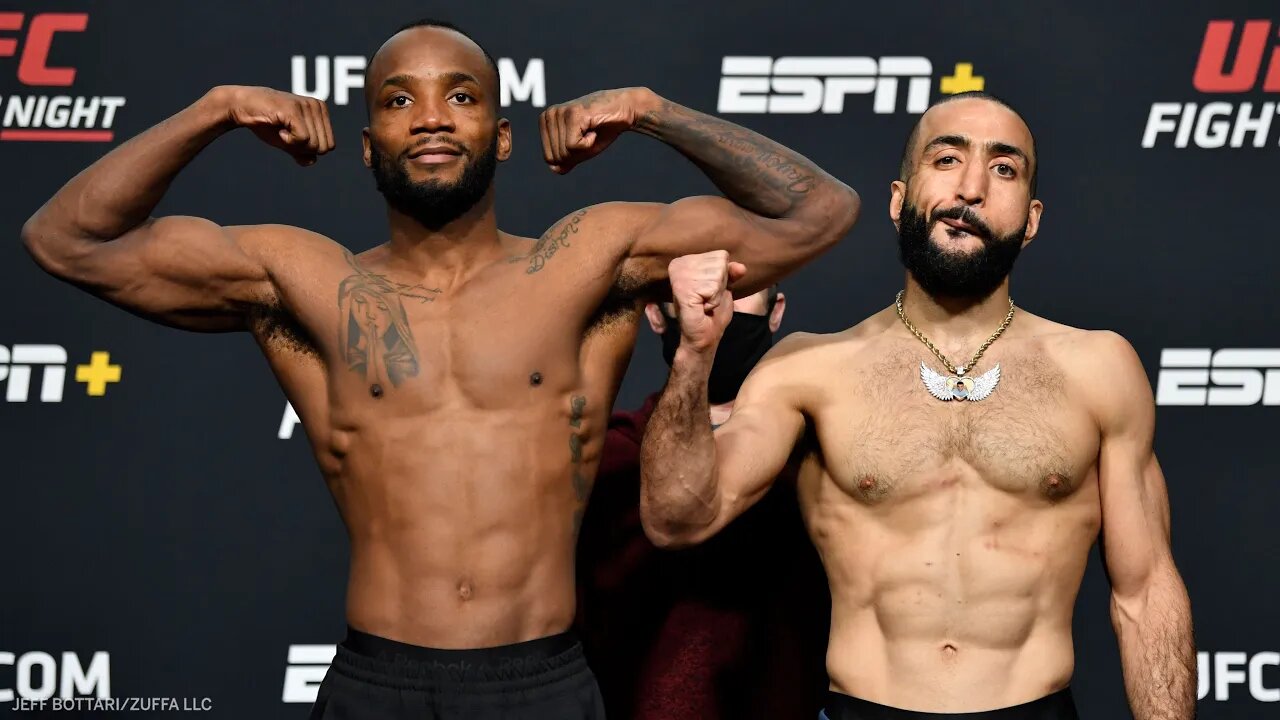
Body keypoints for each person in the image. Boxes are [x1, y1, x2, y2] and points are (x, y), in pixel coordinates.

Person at [20, 17, 859, 720]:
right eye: (398, 101)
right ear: (365, 145)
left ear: (498, 137)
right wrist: (214, 110)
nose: (430, 118)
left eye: (460, 96)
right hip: (376, 682)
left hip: (542, 681)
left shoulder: (588, 261)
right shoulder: (306, 281)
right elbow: (65, 240)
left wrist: (651, 111)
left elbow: (818, 212)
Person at [639, 92, 1195, 720]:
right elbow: (677, 518)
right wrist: (693, 357)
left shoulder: (1099, 368)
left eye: (1004, 168)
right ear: (899, 200)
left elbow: (1146, 591)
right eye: (947, 159)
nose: (972, 188)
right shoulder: (810, 367)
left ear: (1032, 219)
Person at [575, 287, 832, 719]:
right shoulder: (609, 461)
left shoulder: (822, 457)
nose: (721, 304)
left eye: (744, 289)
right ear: (656, 314)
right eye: (698, 286)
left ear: (777, 310)